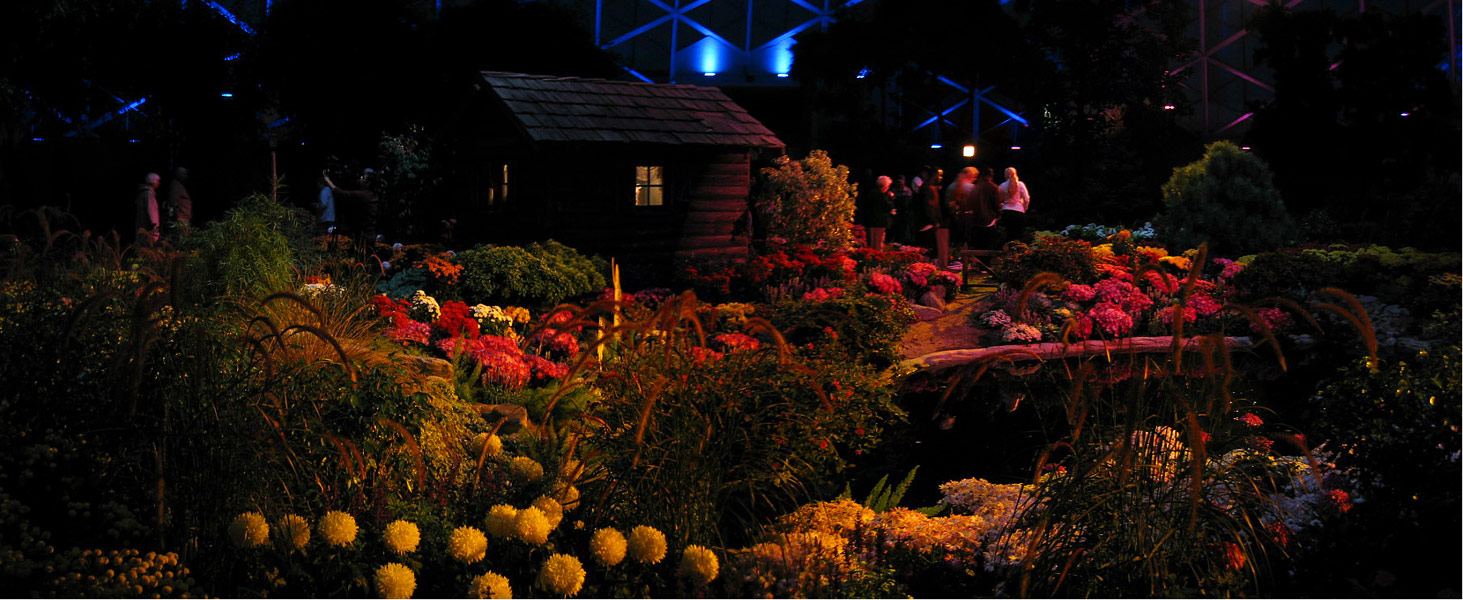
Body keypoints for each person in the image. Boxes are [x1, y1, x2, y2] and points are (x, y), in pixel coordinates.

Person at [946, 167, 977, 251]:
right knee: (966, 240)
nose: (975, 179)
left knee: (956, 240)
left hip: (955, 216)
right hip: (968, 216)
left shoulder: (951, 186)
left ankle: (955, 255)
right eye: (975, 176)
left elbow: (948, 203)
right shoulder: (971, 187)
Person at [917, 166, 945, 264]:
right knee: (929, 249)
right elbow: (930, 206)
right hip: (928, 224)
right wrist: (935, 220)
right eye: (938, 175)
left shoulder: (928, 187)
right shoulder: (928, 188)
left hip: (927, 222)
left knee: (929, 248)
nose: (939, 178)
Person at [972, 168, 1003, 251]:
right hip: (989, 220)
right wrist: (999, 214)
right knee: (988, 245)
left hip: (976, 219)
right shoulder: (994, 187)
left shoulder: (976, 187)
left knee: (978, 245)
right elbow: (996, 204)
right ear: (991, 176)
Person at [999, 166, 1031, 244]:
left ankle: (1008, 249)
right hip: (1019, 210)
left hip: (1006, 211)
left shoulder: (1002, 185)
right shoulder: (1020, 184)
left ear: (1005, 175)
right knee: (1019, 235)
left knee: (1009, 234)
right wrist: (1025, 208)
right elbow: (1026, 198)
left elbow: (999, 199)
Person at [863, 175, 895, 250]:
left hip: (870, 222)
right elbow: (888, 207)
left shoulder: (871, 193)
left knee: (871, 244)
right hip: (879, 222)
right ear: (884, 186)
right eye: (888, 186)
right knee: (877, 244)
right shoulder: (882, 196)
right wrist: (891, 198)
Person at [134, 172, 161, 246]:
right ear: (152, 181)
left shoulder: (143, 193)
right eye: (157, 181)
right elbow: (151, 211)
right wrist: (154, 227)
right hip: (148, 228)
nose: (158, 183)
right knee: (148, 246)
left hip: (143, 226)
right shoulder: (149, 194)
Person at [165, 167, 192, 235]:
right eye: (184, 174)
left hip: (183, 216)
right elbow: (172, 201)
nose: (185, 176)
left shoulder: (179, 185)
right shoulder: (176, 185)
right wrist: (174, 214)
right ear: (178, 174)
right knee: (182, 236)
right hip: (180, 217)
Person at [890, 175, 914, 245]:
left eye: (901, 182)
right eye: (898, 182)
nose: (900, 184)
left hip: (906, 213)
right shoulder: (893, 191)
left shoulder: (908, 191)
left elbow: (910, 202)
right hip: (897, 213)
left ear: (904, 182)